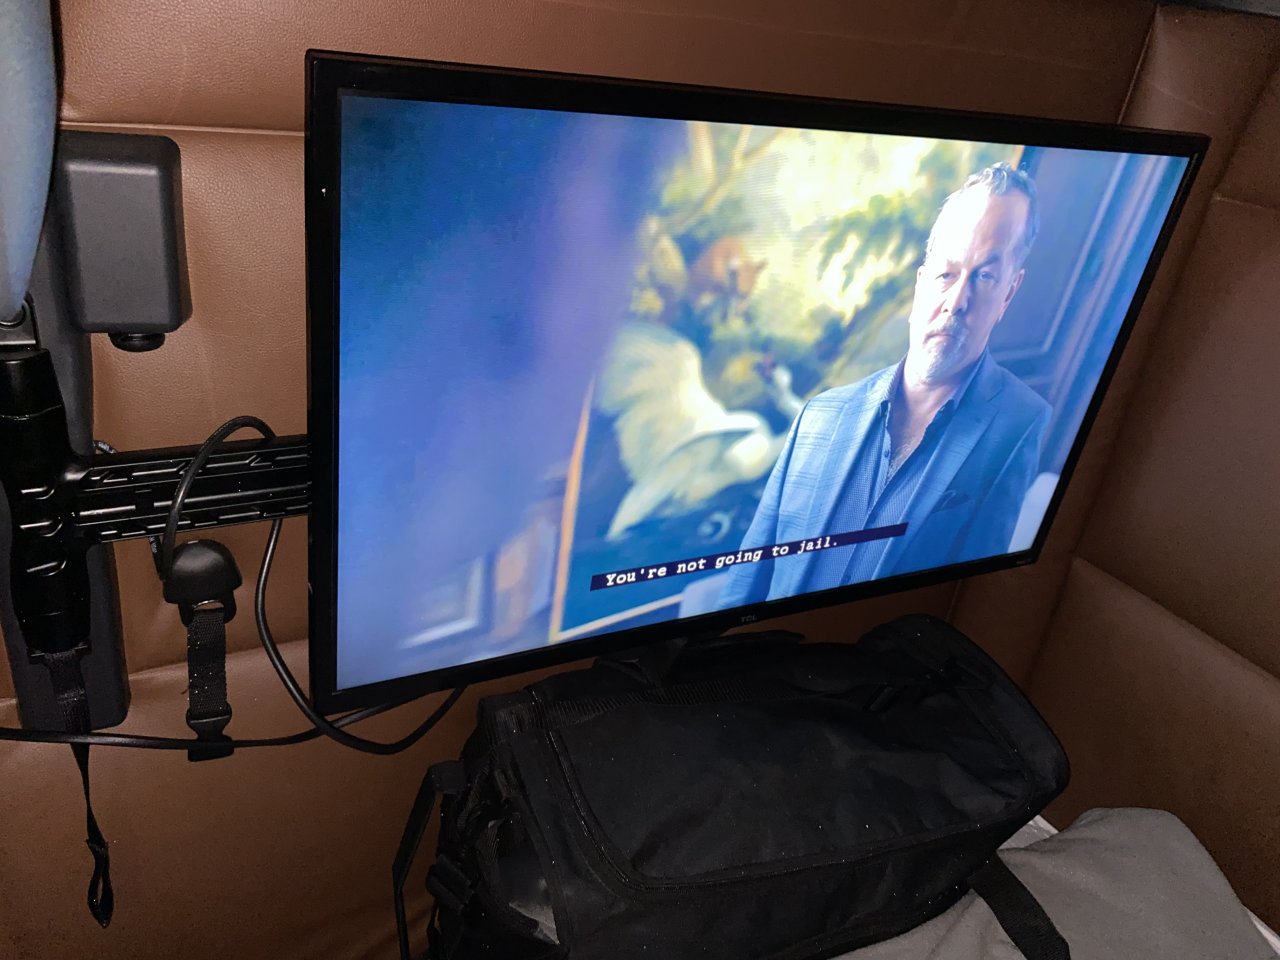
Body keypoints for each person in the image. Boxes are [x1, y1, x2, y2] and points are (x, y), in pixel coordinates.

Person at [720, 162, 1050, 608]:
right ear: (921, 281)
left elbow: (970, 602)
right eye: (947, 273)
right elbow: (746, 583)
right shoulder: (818, 414)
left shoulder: (1018, 423)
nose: (956, 302)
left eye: (985, 276)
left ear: (1008, 293)